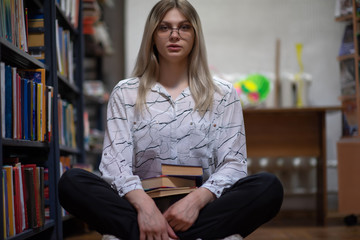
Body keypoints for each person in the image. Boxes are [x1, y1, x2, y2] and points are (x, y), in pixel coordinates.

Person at [58, 0, 283, 239]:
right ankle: (167, 231)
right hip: (139, 206)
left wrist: (195, 202)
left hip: (202, 209)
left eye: (184, 27)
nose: (174, 35)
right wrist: (146, 209)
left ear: (195, 35)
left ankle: (153, 236)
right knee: (72, 182)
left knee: (268, 187)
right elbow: (115, 164)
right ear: (152, 36)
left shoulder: (223, 94)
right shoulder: (125, 92)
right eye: (164, 27)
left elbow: (234, 164)